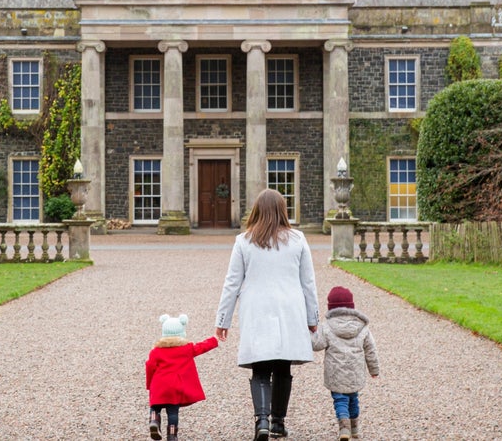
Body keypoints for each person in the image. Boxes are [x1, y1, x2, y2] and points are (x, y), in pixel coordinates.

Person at [214, 188, 319, 440]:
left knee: (260, 368)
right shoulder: (298, 239)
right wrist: (312, 318)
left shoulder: (244, 240)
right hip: (289, 309)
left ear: (257, 211)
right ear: (283, 210)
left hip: (256, 309)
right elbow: (308, 283)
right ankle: (278, 423)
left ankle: (261, 421)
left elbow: (232, 283)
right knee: (283, 366)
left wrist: (223, 320)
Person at [311, 286, 380, 440]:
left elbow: (317, 344)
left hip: (336, 373)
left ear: (331, 307)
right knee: (353, 398)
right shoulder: (362, 327)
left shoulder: (327, 326)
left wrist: (309, 333)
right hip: (355, 372)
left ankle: (344, 428)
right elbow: (371, 349)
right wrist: (374, 370)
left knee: (340, 399)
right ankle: (354, 428)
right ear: (351, 306)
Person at [146, 313, 219, 441]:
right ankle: (172, 435)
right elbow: (201, 347)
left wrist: (150, 384)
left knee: (155, 406)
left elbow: (149, 366)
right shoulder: (187, 349)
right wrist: (214, 339)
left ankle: (154, 421)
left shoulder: (156, 351)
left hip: (159, 385)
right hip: (175, 387)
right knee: (173, 412)